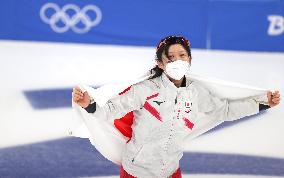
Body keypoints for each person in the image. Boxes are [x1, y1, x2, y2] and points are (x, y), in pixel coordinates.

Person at [72, 35, 281, 178]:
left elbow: (225, 110)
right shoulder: (145, 90)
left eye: (182, 55)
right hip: (136, 172)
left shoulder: (196, 92)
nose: (177, 61)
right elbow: (109, 111)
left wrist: (262, 103)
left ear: (189, 59)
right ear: (160, 64)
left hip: (171, 171)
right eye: (170, 57)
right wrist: (89, 105)